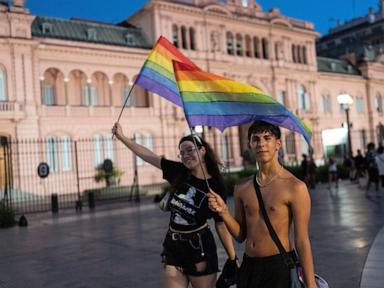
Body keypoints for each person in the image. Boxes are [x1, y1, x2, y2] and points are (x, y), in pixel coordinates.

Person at [112, 123, 237, 288]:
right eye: (182, 153)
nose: (185, 155)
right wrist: (122, 137)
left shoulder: (215, 185)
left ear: (202, 151)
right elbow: (148, 155)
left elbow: (221, 224)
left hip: (199, 247)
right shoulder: (179, 172)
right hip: (174, 244)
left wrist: (233, 258)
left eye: (190, 150)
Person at [207, 120, 316, 288]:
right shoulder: (241, 187)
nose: (261, 144)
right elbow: (240, 235)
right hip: (249, 267)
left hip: (278, 266)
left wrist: (311, 285)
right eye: (256, 139)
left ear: (278, 144)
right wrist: (223, 211)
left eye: (267, 138)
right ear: (250, 144)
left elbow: (302, 240)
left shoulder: (295, 187)